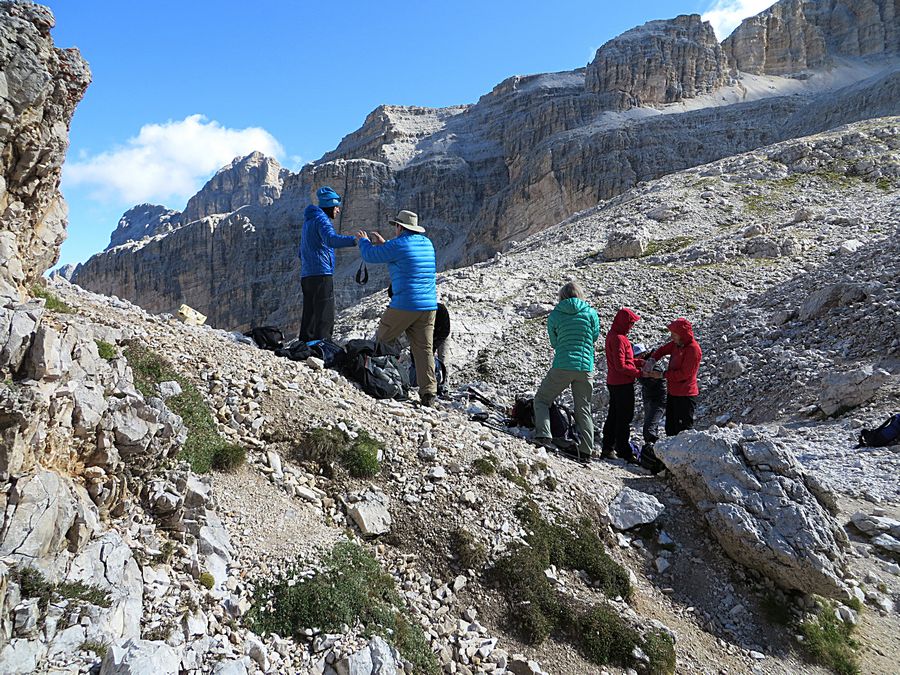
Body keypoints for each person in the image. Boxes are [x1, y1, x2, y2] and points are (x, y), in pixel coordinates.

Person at [356, 210, 438, 406]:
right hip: (428, 306)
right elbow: (403, 256)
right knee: (423, 349)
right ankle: (429, 394)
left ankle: (384, 382)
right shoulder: (427, 243)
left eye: (396, 226)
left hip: (405, 304)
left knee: (383, 340)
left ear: (400, 227)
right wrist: (386, 244)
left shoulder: (399, 244)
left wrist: (363, 241)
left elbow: (370, 255)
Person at [533, 281, 601, 461]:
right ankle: (586, 450)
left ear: (561, 296)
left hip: (563, 364)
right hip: (586, 367)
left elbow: (554, 342)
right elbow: (594, 337)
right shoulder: (591, 312)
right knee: (583, 408)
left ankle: (544, 435)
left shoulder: (555, 314)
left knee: (542, 399)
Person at [298, 186, 358, 341]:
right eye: (336, 207)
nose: (338, 211)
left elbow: (301, 252)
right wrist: (354, 240)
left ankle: (305, 348)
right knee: (325, 315)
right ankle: (322, 349)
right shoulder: (322, 220)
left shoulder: (308, 222)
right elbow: (331, 239)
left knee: (309, 315)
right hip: (321, 274)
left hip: (307, 275)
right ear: (330, 206)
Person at [643, 318, 702, 436]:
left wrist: (662, 375)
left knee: (683, 431)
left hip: (685, 395)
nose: (672, 337)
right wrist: (652, 360)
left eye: (674, 334)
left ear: (682, 334)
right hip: (673, 393)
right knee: (670, 428)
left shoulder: (692, 349)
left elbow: (684, 374)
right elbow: (662, 350)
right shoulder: (677, 344)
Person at [601, 307, 643, 459]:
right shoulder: (619, 338)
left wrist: (639, 363)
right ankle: (623, 449)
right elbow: (621, 366)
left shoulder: (614, 335)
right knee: (624, 417)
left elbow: (625, 361)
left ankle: (608, 446)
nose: (631, 327)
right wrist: (640, 372)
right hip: (622, 383)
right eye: (630, 323)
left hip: (614, 381)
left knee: (614, 415)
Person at [632, 343, 666, 448]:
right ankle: (653, 450)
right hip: (650, 399)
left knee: (649, 428)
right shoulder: (646, 365)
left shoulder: (654, 366)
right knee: (651, 427)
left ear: (642, 355)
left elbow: (650, 382)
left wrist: (638, 374)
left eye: (637, 356)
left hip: (658, 400)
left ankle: (652, 451)